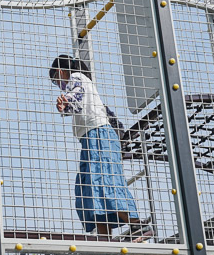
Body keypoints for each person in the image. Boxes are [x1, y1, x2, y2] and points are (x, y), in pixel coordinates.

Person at [49, 55, 144, 237]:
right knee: (90, 188)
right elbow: (78, 104)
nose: (58, 85)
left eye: (56, 81)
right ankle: (105, 240)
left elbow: (76, 94)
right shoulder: (86, 86)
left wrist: (66, 100)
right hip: (90, 139)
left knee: (105, 181)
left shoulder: (76, 77)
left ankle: (137, 225)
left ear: (60, 72)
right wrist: (66, 105)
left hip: (99, 134)